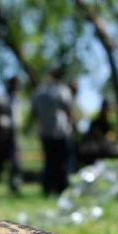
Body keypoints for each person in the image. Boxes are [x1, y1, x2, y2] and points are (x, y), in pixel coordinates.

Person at [32, 68, 75, 196]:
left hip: (45, 131)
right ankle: (62, 189)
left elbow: (35, 112)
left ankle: (48, 188)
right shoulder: (62, 90)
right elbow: (68, 110)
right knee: (62, 162)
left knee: (49, 162)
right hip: (60, 130)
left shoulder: (39, 91)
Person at [0, 76, 22, 195]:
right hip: (2, 135)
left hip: (14, 135)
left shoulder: (17, 99)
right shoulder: (2, 98)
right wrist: (0, 120)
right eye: (14, 84)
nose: (16, 87)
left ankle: (14, 187)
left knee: (15, 163)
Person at [78, 99, 118, 166]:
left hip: (95, 152)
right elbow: (103, 139)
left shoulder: (105, 123)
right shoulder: (98, 123)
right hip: (91, 152)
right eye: (109, 109)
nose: (110, 112)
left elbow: (109, 138)